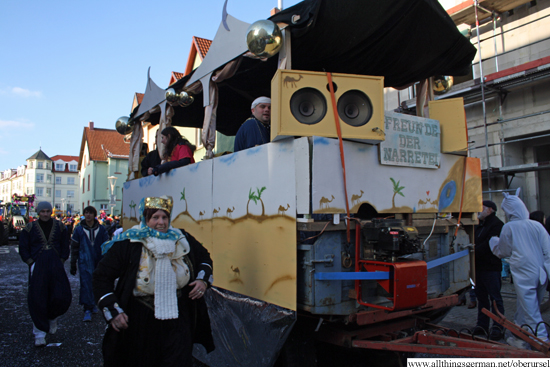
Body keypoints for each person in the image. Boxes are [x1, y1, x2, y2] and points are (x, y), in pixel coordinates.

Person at [93, 196, 214, 366]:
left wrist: (202, 281)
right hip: (141, 318)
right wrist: (113, 310)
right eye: (155, 217)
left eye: (164, 217)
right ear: (145, 218)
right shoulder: (130, 242)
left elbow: (204, 259)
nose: (161, 223)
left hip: (178, 316)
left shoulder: (181, 239)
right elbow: (101, 276)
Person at [490, 189, 550, 347]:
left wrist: (493, 242)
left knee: (530, 309)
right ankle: (521, 334)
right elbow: (548, 250)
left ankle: (541, 340)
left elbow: (503, 251)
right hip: (541, 271)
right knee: (527, 306)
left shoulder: (510, 227)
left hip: (524, 272)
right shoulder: (537, 225)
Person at [18, 201, 71, 347]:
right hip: (38, 265)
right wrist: (30, 262)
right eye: (43, 211)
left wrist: (61, 259)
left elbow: (65, 244)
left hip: (55, 264)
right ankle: (39, 333)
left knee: (59, 294)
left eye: (48, 211)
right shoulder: (29, 228)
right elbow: (23, 246)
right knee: (37, 298)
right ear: (38, 212)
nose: (45, 214)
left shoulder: (60, 226)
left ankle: (52, 316)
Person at [70, 206, 110, 322]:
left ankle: (94, 304)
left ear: (94, 215)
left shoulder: (101, 230)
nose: (88, 215)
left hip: (99, 261)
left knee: (97, 284)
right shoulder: (79, 230)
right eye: (86, 213)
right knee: (86, 284)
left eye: (90, 213)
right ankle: (87, 308)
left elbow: (106, 247)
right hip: (84, 261)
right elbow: (74, 248)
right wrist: (73, 263)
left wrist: (107, 263)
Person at [472, 200, 505, 340]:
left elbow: (489, 244)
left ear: (490, 209)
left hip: (491, 267)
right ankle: (482, 325)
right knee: (482, 298)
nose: (479, 210)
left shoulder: (497, 224)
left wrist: (473, 251)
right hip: (479, 267)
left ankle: (498, 327)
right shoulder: (479, 225)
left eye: (482, 207)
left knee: (495, 298)